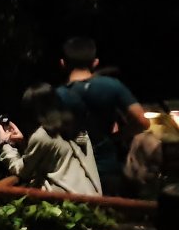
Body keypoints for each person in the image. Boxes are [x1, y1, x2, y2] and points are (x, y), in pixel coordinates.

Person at [55, 36, 149, 195]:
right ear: (95, 63)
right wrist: (118, 136)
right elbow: (142, 122)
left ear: (62, 64)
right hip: (107, 169)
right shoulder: (112, 86)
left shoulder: (56, 95)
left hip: (71, 173)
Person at [0, 83, 103, 194]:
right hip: (89, 195)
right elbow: (50, 155)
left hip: (70, 200)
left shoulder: (42, 135)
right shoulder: (71, 126)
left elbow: (23, 171)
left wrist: (5, 144)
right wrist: (22, 142)